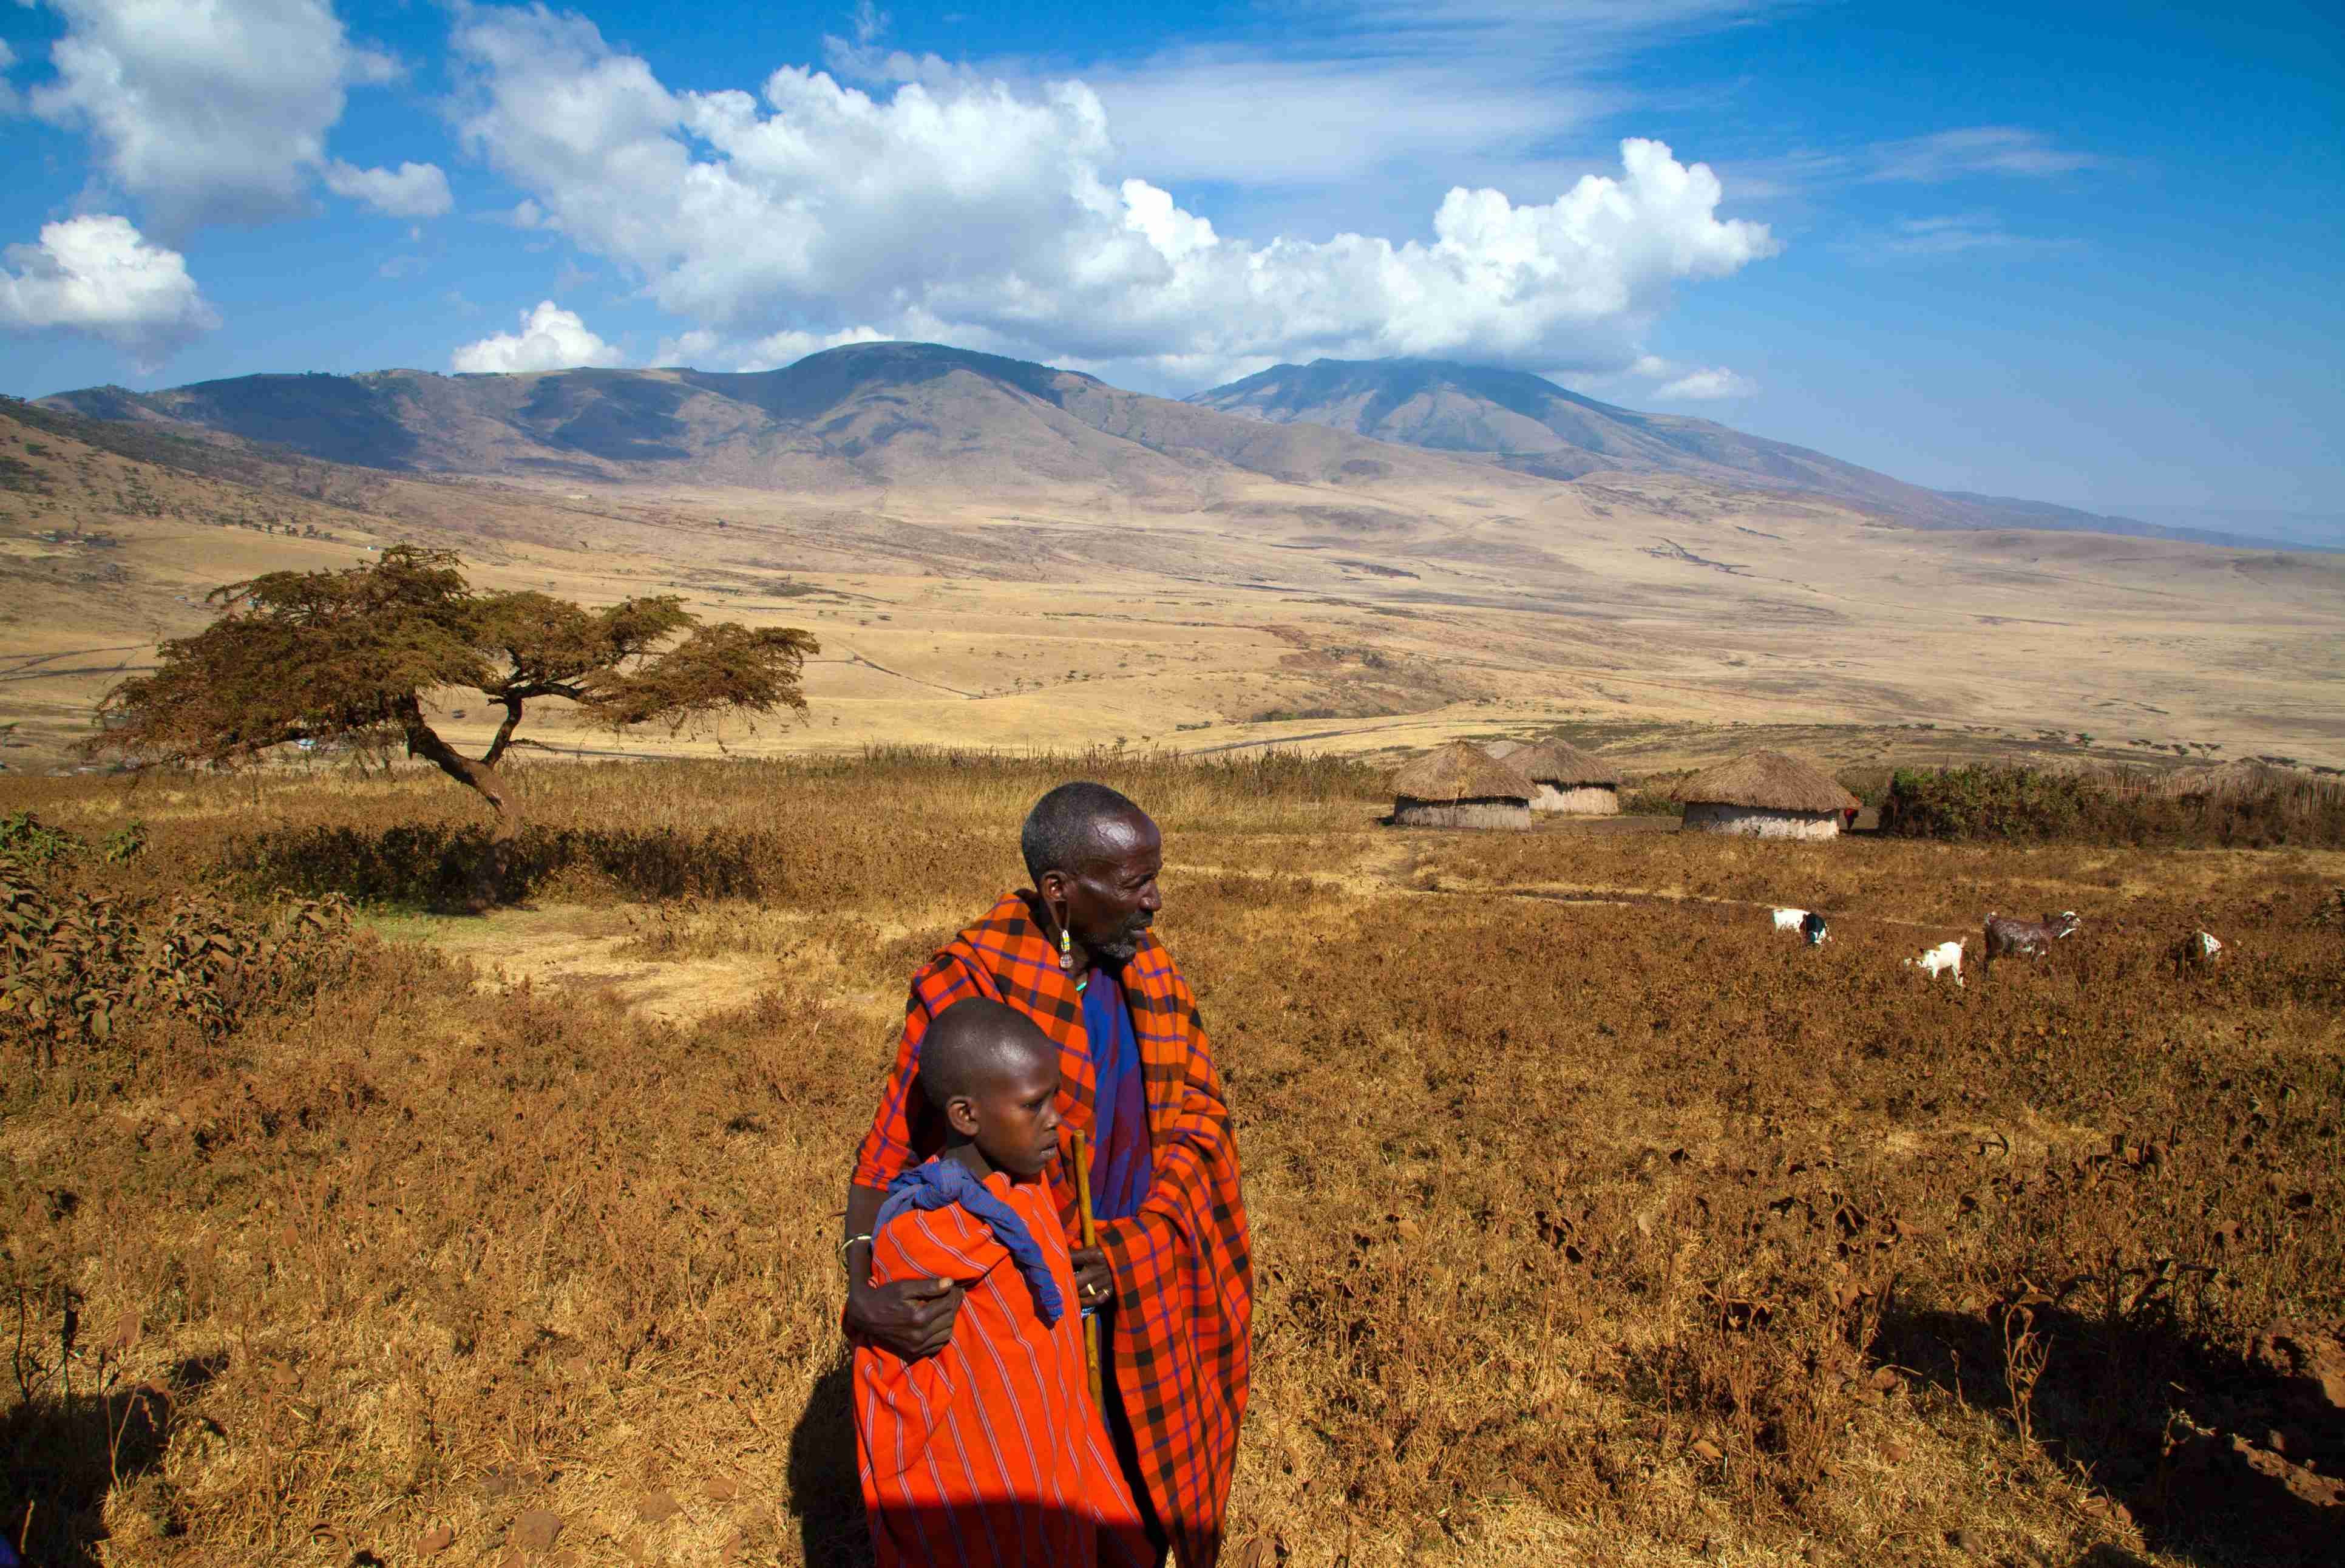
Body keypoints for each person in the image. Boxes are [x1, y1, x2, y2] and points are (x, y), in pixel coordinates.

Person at [840, 782, 1252, 1567]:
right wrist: (862, 1288)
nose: (1155, 900)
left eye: (1152, 876)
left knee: (1139, 1501)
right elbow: (886, 1151)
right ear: (1061, 892)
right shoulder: (969, 985)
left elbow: (1200, 1117)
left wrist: (1137, 1244)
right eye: (1134, 883)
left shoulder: (1152, 976)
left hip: (1141, 1278)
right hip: (1023, 1311)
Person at [853, 999, 1153, 1567]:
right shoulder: (926, 1238)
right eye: (1033, 1105)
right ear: (966, 1115)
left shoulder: (1029, 1190)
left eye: (1054, 1099)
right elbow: (903, 1394)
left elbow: (1031, 1298)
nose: (1055, 1120)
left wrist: (1073, 1288)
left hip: (1056, 1450)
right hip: (987, 1482)